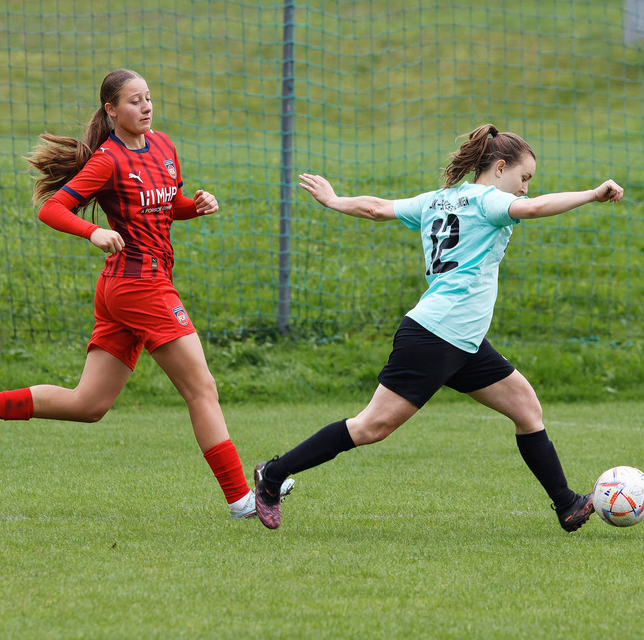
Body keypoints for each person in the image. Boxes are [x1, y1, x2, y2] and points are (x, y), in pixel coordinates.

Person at [0, 68, 291, 521]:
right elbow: (52, 208)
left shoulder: (163, 146)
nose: (145, 107)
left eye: (148, 99)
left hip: (126, 287)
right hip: (140, 285)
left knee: (89, 405)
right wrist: (93, 232)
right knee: (202, 388)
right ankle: (242, 498)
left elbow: (166, 206)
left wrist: (194, 207)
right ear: (111, 110)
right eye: (134, 101)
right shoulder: (108, 159)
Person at [252, 124, 623, 531]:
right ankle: (272, 476)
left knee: (526, 407)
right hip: (436, 336)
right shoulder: (489, 201)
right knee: (371, 426)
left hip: (461, 340)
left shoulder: (438, 199)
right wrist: (591, 194)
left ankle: (567, 506)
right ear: (499, 168)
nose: (525, 189)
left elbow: (377, 207)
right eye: (524, 178)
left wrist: (335, 200)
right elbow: (533, 210)